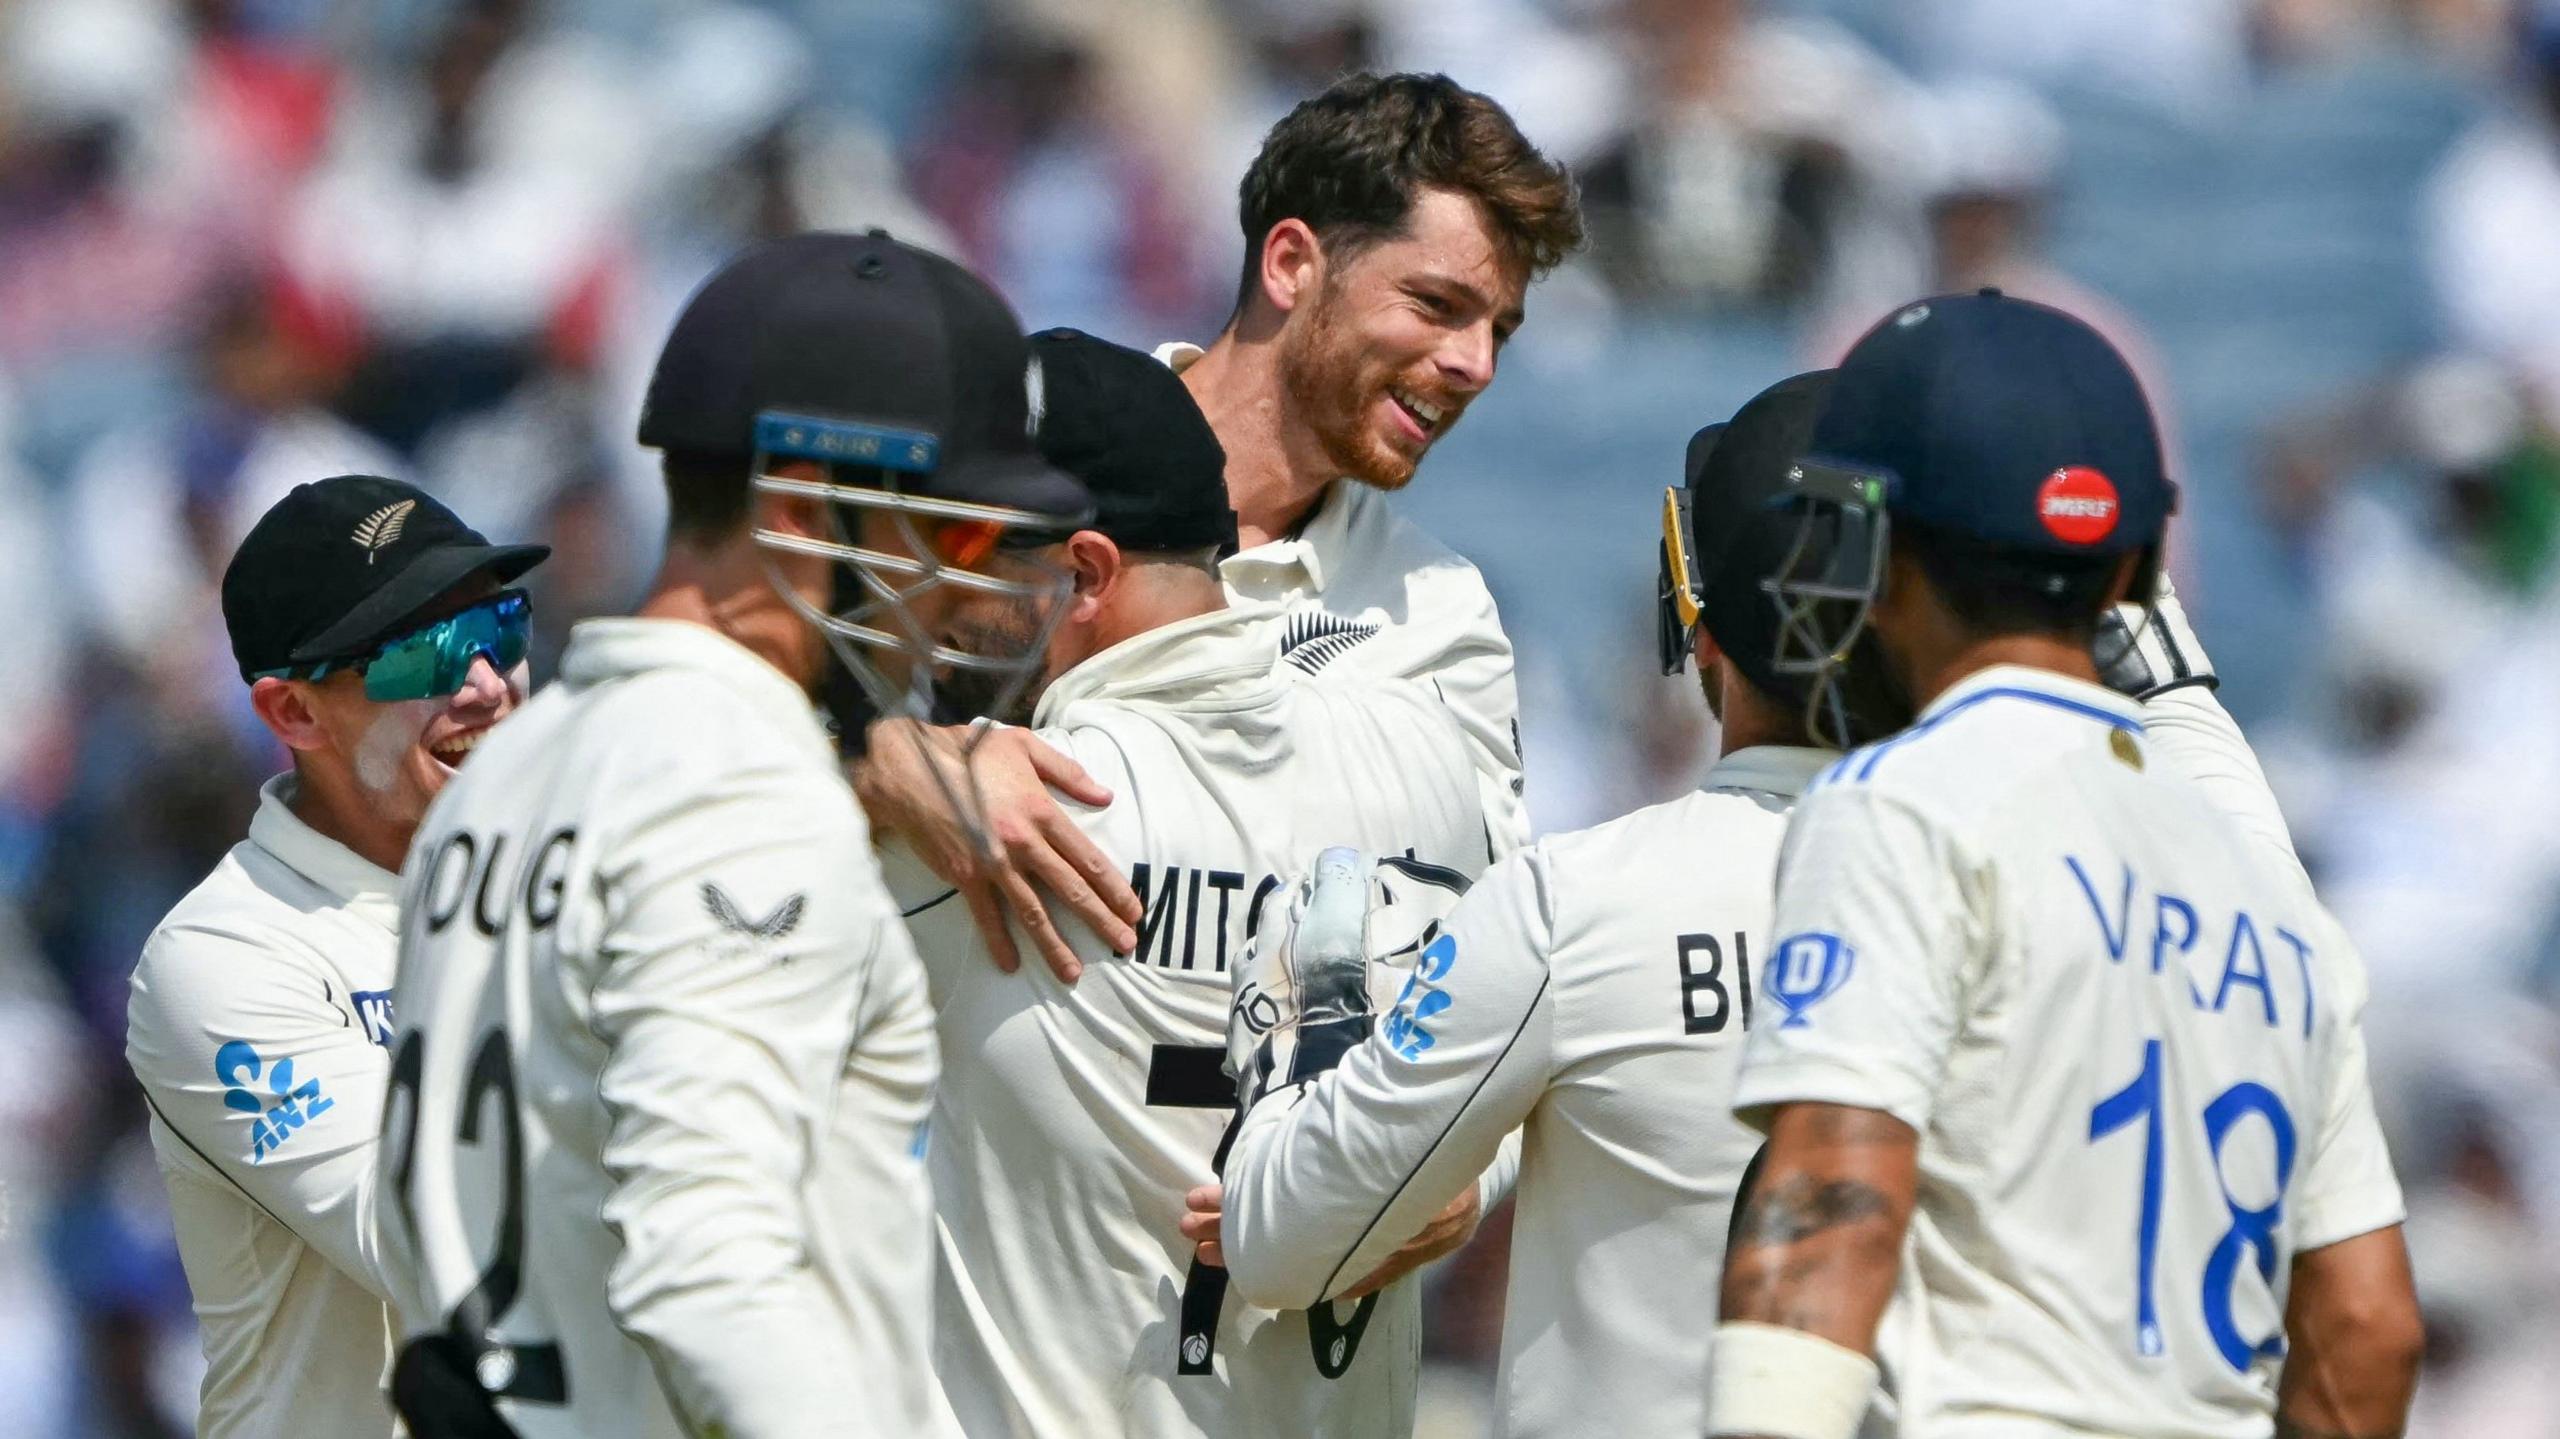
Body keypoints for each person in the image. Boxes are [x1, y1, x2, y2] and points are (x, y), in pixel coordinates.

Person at [375, 232, 1087, 1439]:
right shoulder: (740, 782)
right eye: (956, 536)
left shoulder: (515, 768)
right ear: (806, 508)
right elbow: (709, 1274)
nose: (971, 596)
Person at [1706, 292, 2421, 1439]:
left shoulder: (1901, 803)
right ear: (2132, 566)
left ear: (1869, 547)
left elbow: (1835, 1208)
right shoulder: (2272, 898)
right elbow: (2368, 1329)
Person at [1206, 371, 1901, 1437]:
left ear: (1693, 621)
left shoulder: (1573, 903)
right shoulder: (2058, 913)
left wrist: (1319, 1020)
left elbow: (1279, 1239)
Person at [882, 328, 1494, 1438]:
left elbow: (652, 803)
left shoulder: (988, 816)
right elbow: (1507, 1064)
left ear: (1084, 575)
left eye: (962, 546)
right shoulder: (1422, 755)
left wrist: (871, 756)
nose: (930, 594)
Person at [858, 70, 1584, 982]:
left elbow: (1467, 954)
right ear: (1289, 264)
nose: (1476, 364)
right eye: (1437, 306)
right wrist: (884, 756)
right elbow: (765, 708)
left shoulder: (1443, 617)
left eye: (1499, 332)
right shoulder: (1020, 451)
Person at [123, 473, 546, 1438]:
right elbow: (438, 1249)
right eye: (426, 653)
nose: (486, 684)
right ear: (295, 714)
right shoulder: (223, 954)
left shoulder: (574, 869)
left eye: (501, 628)